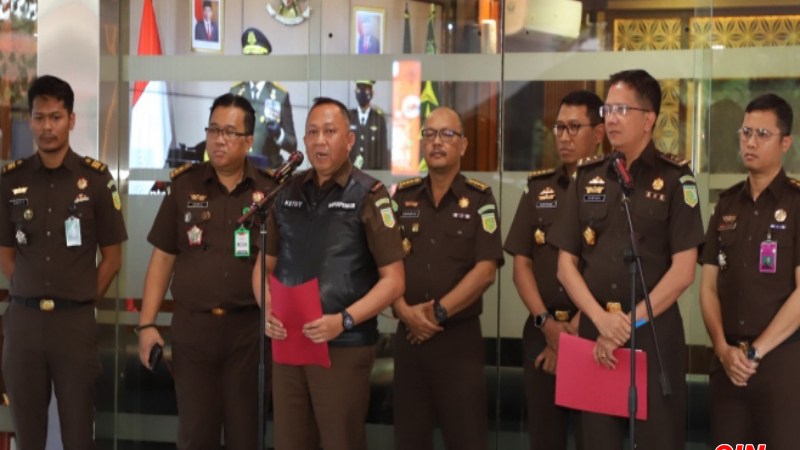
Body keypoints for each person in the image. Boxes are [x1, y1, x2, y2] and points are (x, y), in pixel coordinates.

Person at [549, 69, 704, 450]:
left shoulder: (676, 178)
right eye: (608, 109)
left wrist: (627, 322)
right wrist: (601, 320)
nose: (611, 119)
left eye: (622, 109)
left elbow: (684, 272)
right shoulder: (588, 176)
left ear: (648, 119)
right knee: (595, 441)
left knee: (658, 441)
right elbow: (565, 267)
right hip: (595, 338)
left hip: (652, 337)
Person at [254, 97, 404, 450]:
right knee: (290, 441)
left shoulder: (369, 195)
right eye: (312, 132)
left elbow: (395, 281)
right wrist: (267, 308)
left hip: (342, 345)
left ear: (349, 140)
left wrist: (344, 320)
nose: (320, 140)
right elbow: (264, 265)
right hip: (290, 342)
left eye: (330, 131)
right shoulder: (286, 192)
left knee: (341, 441)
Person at [137, 93, 278, 450]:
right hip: (194, 331)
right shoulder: (184, 185)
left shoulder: (269, 191)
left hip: (248, 333)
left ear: (249, 141)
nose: (219, 139)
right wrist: (147, 324)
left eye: (230, 132)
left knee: (246, 436)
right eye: (213, 130)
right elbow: (162, 258)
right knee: (196, 435)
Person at [0, 74, 127, 449]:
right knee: (28, 435)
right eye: (39, 117)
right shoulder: (10, 180)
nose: (47, 126)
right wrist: (29, 288)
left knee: (78, 433)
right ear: (30, 120)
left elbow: (113, 257)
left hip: (74, 325)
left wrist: (83, 297)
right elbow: (6, 253)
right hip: (23, 325)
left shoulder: (96, 180)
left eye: (55, 117)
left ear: (71, 120)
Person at [391, 106, 504, 450]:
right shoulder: (402, 198)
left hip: (458, 341)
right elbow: (384, 265)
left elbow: (485, 271)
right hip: (409, 338)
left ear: (463, 145)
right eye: (429, 134)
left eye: (447, 134)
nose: (437, 142)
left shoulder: (480, 199)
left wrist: (436, 314)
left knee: (466, 437)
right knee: (409, 438)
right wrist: (404, 311)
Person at [504, 90, 605, 450]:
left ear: (599, 132)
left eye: (574, 127)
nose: (564, 136)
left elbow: (613, 271)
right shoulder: (539, 188)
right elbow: (521, 264)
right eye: (559, 127)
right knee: (544, 438)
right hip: (541, 334)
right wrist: (547, 325)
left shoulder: (614, 188)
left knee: (595, 439)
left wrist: (571, 334)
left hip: (594, 336)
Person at [700, 93, 800, 449]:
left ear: (785, 142)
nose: (751, 142)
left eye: (762, 134)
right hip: (728, 364)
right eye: (745, 132)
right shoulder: (726, 204)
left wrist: (755, 352)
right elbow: (708, 287)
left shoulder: (796, 203)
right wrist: (722, 348)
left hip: (780, 365)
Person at [230, 27, 298, 169]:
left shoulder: (280, 95)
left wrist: (279, 134)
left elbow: (292, 145)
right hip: (240, 170)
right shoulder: (235, 93)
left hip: (268, 172)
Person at [349, 80, 389, 170]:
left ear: (372, 93)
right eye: (359, 90)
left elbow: (383, 153)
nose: (362, 93)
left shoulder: (379, 119)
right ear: (355, 92)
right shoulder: (349, 117)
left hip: (372, 173)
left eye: (366, 90)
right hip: (351, 173)